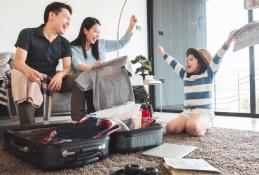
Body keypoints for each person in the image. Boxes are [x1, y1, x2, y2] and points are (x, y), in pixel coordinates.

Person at [157, 31, 234, 136]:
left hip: (203, 114)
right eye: (187, 60)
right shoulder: (185, 75)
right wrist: (163, 53)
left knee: (192, 127)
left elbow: (218, 57)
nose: (187, 62)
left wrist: (228, 42)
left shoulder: (208, 74)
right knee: (170, 128)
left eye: (191, 59)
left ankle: (205, 125)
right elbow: (174, 64)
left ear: (200, 63)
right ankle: (190, 125)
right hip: (187, 113)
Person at [13, 2, 76, 126]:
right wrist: (29, 72)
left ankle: (78, 124)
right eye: (66, 17)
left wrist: (59, 75)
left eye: (70, 19)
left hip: (51, 80)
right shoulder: (27, 34)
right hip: (31, 78)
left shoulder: (65, 43)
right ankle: (28, 134)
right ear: (52, 15)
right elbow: (18, 62)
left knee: (80, 79)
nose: (69, 22)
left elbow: (68, 67)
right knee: (25, 80)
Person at [70, 15, 137, 119]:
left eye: (99, 32)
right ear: (85, 30)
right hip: (87, 83)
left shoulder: (101, 44)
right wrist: (92, 67)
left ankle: (122, 111)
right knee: (90, 80)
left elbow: (120, 44)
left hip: (102, 82)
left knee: (120, 68)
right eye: (95, 31)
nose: (98, 35)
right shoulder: (73, 48)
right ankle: (94, 117)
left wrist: (131, 27)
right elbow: (77, 66)